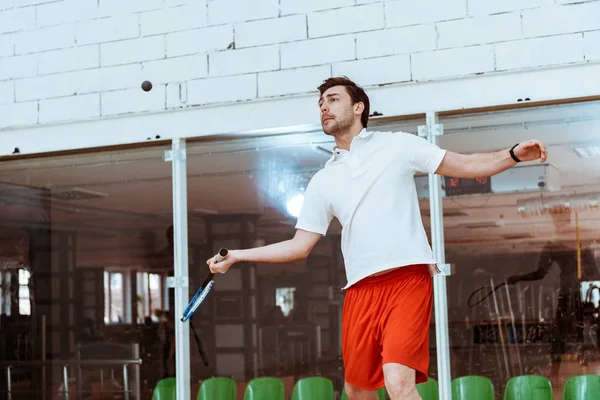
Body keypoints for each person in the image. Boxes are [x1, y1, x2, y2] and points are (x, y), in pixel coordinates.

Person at [207, 77, 548, 400]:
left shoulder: (397, 145)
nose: (324, 107)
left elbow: (466, 164)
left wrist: (513, 155)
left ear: (358, 108)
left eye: (333, 99)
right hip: (359, 289)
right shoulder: (323, 180)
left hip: (407, 280)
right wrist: (238, 255)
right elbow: (299, 246)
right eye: (321, 102)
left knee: (397, 381)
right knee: (356, 390)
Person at [507, 212, 599, 377]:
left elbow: (594, 272)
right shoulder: (558, 243)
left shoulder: (578, 241)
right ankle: (555, 372)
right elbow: (541, 272)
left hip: (583, 293)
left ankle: (556, 371)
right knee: (561, 333)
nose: (559, 222)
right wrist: (519, 278)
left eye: (561, 219)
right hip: (573, 292)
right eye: (558, 219)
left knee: (571, 331)